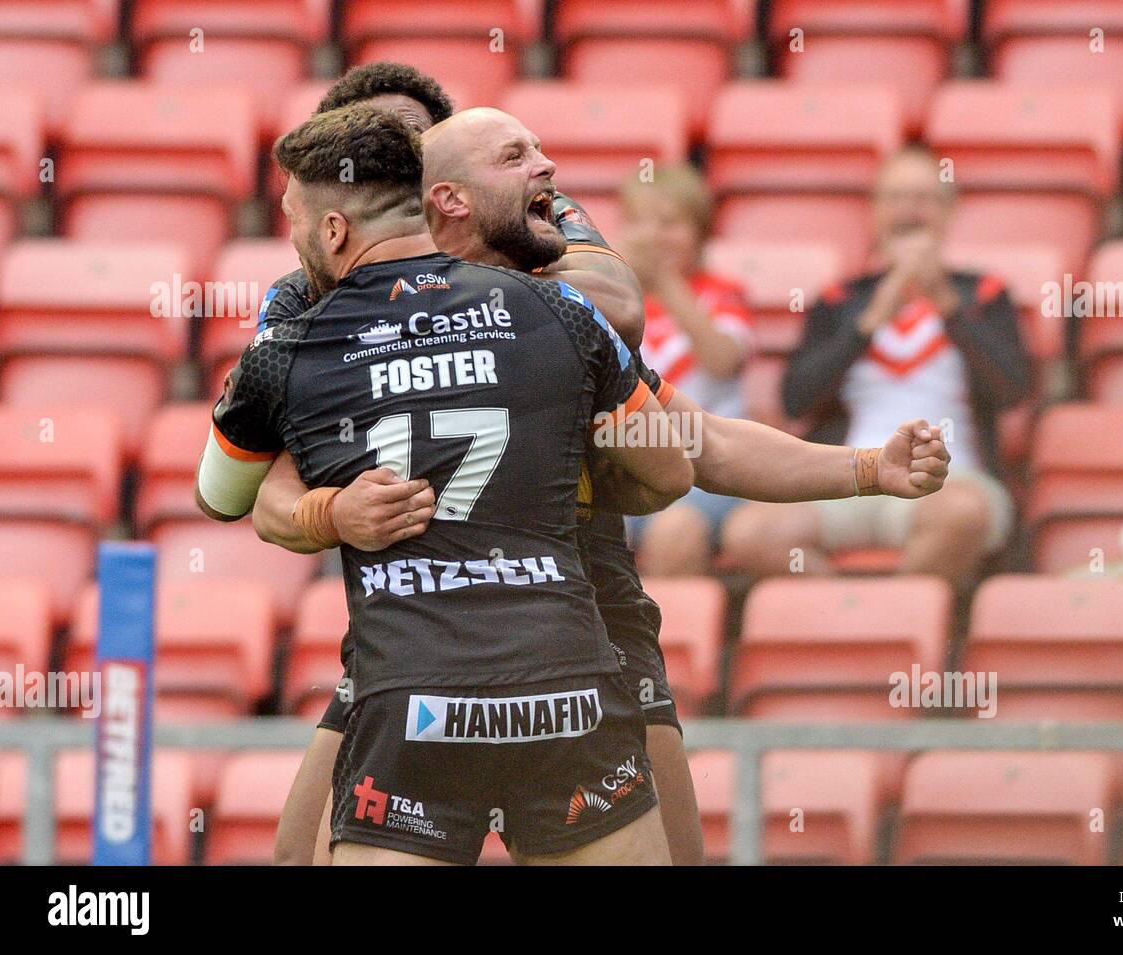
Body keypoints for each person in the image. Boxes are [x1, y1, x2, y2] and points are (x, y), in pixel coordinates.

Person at [196, 103, 694, 865]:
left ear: (333, 231)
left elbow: (224, 496)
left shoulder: (289, 344)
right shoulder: (557, 307)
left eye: (296, 220)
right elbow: (669, 470)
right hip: (565, 684)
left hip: (413, 696)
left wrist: (331, 509)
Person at [721, 145, 1031, 592]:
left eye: (924, 198)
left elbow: (1012, 390)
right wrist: (871, 319)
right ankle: (853, 619)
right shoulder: (840, 300)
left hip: (948, 480)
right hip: (847, 475)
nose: (910, 211)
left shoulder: (983, 294)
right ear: (876, 212)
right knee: (751, 533)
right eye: (897, 198)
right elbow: (796, 399)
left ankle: (894, 619)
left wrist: (945, 303)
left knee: (962, 517)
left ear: (948, 213)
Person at [619, 166, 753, 575]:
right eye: (640, 222)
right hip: (627, 466)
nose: (655, 235)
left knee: (674, 530)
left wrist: (666, 283)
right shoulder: (607, 299)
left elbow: (723, 361)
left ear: (700, 232)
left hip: (708, 465)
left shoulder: (721, 294)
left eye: (670, 223)